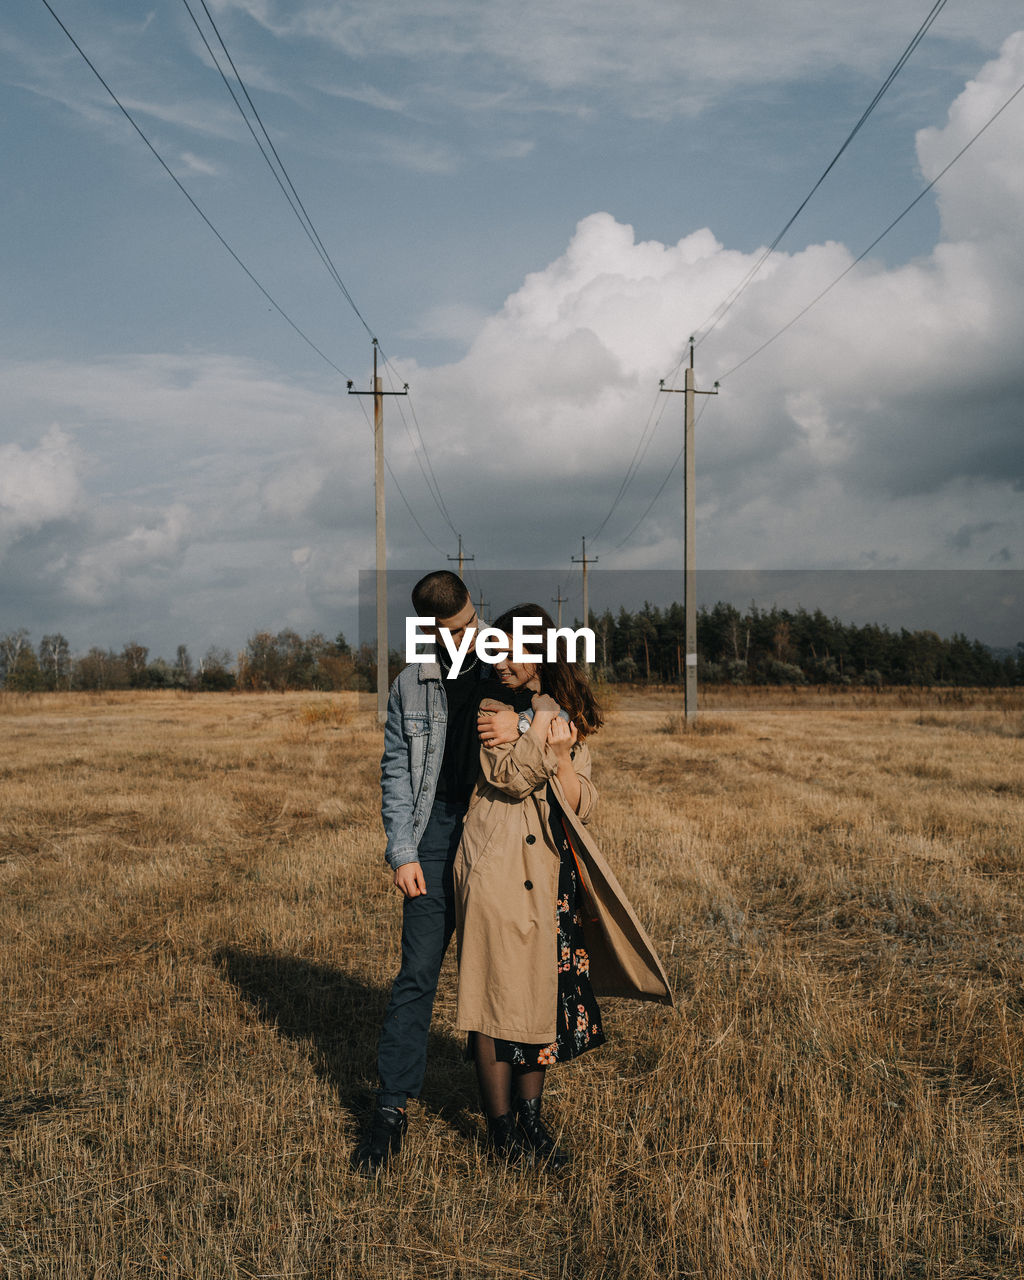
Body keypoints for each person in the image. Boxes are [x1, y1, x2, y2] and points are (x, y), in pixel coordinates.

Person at [454, 604, 674, 1166]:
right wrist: (537, 732)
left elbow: (581, 802)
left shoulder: (559, 715)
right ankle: (502, 1135)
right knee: (494, 999)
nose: (499, 662)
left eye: (510, 650)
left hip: (550, 877)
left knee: (540, 1000)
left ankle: (532, 1124)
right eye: (493, 650)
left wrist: (548, 741)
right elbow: (508, 775)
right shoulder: (491, 707)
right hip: (498, 870)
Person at [355, 570, 484, 1174]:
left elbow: (555, 714)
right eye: (454, 631)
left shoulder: (505, 665)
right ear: (431, 628)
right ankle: (390, 1108)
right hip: (433, 837)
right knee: (418, 971)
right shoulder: (411, 684)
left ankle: (504, 1111)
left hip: (495, 838)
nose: (467, 636)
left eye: (470, 623)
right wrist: (404, 854)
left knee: (495, 971)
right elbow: (396, 774)